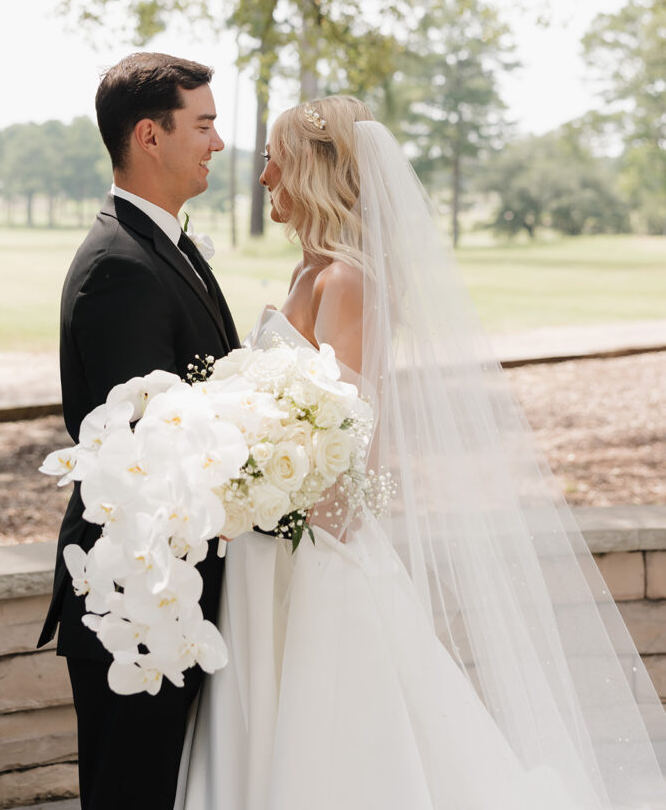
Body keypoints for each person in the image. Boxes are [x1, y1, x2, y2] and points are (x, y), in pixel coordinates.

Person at [176, 96, 666, 809]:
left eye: (273, 157)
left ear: (313, 168)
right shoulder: (307, 272)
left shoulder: (348, 279)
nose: (262, 175)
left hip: (314, 548)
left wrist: (279, 506)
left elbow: (353, 434)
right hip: (271, 540)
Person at [37, 52, 240, 810]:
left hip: (176, 587)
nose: (218, 143)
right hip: (138, 597)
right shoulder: (119, 266)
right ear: (150, 136)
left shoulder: (166, 246)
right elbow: (150, 447)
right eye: (205, 124)